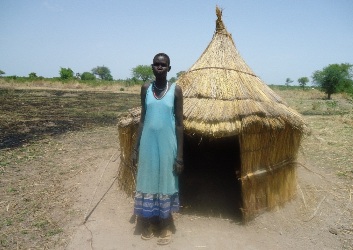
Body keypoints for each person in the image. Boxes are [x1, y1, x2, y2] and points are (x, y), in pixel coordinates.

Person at [132, 53, 184, 245]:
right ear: (152, 67)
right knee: (148, 180)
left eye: (163, 65)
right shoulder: (146, 88)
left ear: (169, 68)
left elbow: (179, 124)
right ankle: (147, 223)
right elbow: (143, 119)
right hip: (147, 143)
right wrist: (135, 148)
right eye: (156, 64)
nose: (160, 67)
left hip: (167, 143)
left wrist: (180, 156)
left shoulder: (176, 90)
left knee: (166, 180)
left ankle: (165, 225)